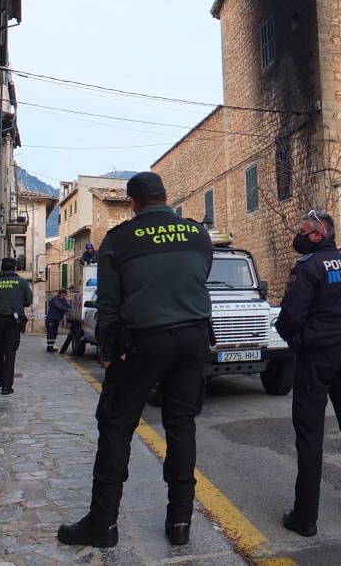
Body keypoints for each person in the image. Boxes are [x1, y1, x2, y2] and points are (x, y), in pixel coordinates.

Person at [58, 172, 213, 549]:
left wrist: (108, 353)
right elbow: (197, 278)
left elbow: (108, 306)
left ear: (133, 203)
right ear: (164, 196)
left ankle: (103, 523)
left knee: (116, 425)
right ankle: (180, 522)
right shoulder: (198, 235)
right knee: (181, 426)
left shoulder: (119, 240)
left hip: (143, 341)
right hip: (193, 338)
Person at [276, 209, 341, 537]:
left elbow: (291, 314)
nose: (299, 235)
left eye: (303, 231)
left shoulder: (308, 267)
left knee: (309, 435)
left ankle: (305, 517)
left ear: (318, 234)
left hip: (315, 357)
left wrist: (292, 338)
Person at [0, 257, 33, 395]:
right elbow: (28, 301)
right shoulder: (21, 282)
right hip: (14, 322)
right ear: (15, 268)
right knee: (10, 353)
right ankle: (6, 386)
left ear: (2, 268)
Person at [45, 289, 72, 353]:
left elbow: (68, 306)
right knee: (50, 333)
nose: (64, 297)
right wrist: (68, 309)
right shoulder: (55, 299)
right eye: (63, 295)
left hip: (56, 319)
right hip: (51, 319)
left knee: (54, 333)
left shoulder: (63, 300)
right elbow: (60, 307)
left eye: (65, 295)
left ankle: (51, 347)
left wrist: (70, 308)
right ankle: (49, 348)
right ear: (60, 294)